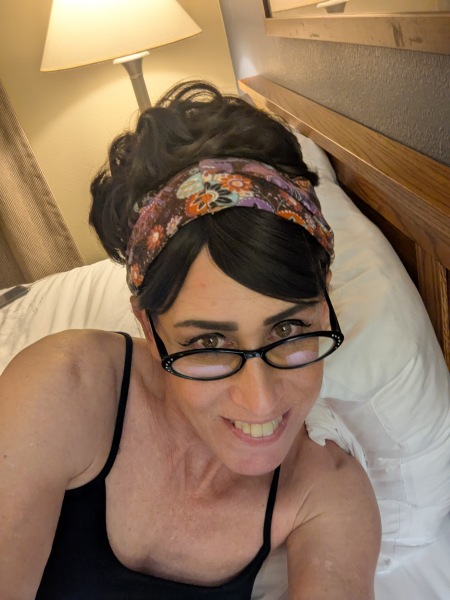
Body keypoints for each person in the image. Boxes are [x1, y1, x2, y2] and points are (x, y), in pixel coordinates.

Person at [0, 81, 381, 599]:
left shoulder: (327, 492)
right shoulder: (65, 389)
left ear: (324, 302)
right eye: (208, 344)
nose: (261, 401)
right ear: (148, 327)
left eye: (288, 330)